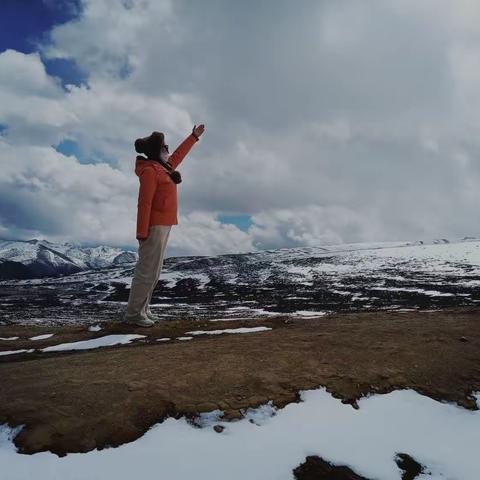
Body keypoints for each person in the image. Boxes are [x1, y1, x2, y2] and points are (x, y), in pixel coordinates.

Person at [123, 124, 205, 327]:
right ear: (156, 152)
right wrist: (141, 231)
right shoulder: (150, 171)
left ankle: (143, 309)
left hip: (164, 225)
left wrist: (193, 136)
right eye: (164, 148)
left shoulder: (163, 168)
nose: (168, 152)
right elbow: (145, 203)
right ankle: (133, 314)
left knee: (155, 271)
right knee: (146, 271)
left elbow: (178, 155)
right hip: (153, 227)